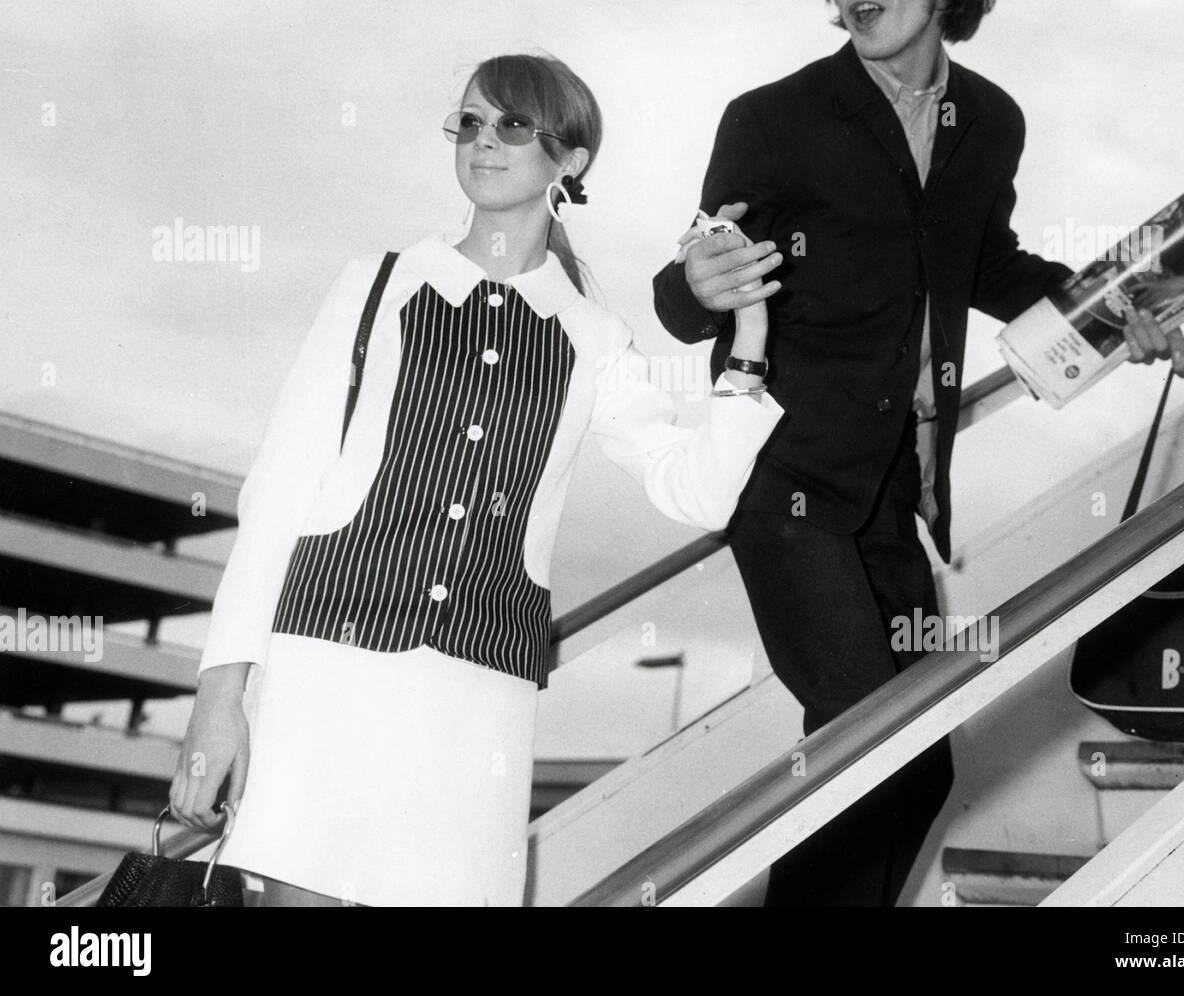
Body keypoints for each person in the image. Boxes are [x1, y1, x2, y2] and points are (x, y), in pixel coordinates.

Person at [653, 0, 1184, 906]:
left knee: (918, 758)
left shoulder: (988, 120)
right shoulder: (772, 117)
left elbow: (983, 262)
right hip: (788, 479)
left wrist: (1124, 308)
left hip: (897, 493)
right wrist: (693, 285)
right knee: (864, 730)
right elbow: (697, 284)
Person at [169, 53, 783, 906]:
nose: (483, 141)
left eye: (513, 125)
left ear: (569, 162)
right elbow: (276, 497)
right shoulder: (374, 288)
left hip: (476, 700)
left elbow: (697, 490)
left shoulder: (592, 336)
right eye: (469, 122)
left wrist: (748, 336)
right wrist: (218, 700)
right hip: (325, 672)